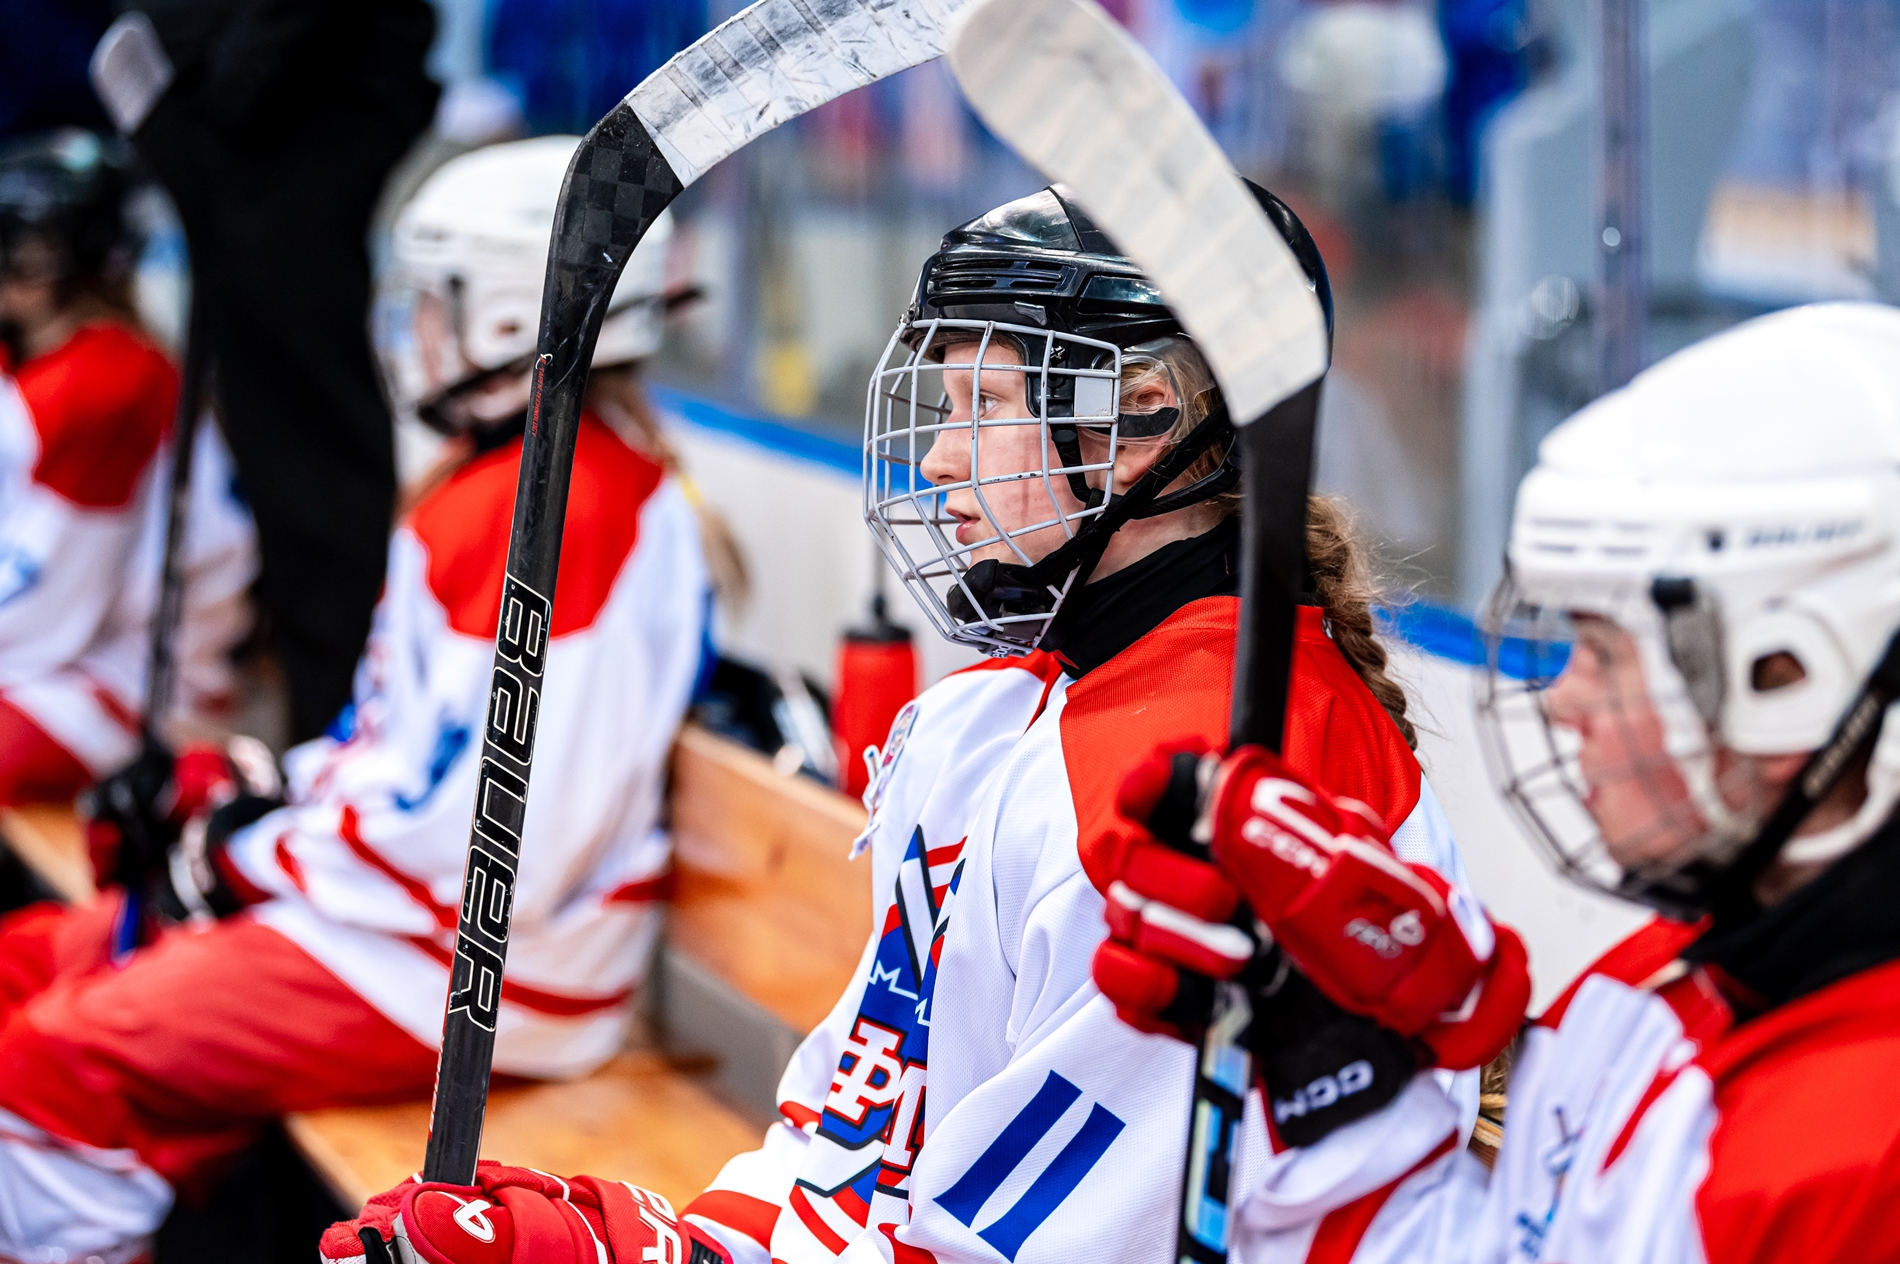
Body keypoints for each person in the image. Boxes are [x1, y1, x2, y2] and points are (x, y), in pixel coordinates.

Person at [328, 185, 1520, 1264]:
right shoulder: (1000, 717)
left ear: (1142, 420)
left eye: (984, 401)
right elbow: (854, 1151)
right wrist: (647, 1241)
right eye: (943, 402)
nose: (941, 456)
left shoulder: (1211, 781)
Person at [0, 136, 715, 1262]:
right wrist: (242, 792)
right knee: (26, 963)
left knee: (42, 1060)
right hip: (396, 930)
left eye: (437, 303)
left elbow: (490, 848)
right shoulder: (514, 486)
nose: (410, 335)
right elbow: (400, 757)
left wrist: (240, 855)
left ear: (504, 319)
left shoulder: (561, 514)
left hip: (472, 979)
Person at [1093, 301, 1900, 1262]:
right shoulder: (1650, 992)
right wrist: (1341, 1070)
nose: (1565, 704)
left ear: (1791, 676)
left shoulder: (1856, 1153)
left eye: (1603, 650)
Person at [120, 0, 440, 742]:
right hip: (233, 115)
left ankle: (335, 721)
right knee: (266, 429)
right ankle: (310, 703)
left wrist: (231, 84)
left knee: (311, 436)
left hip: (300, 110)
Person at [0, 127, 254, 807]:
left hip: (145, 681)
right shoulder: (48, 358)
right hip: (69, 647)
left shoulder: (104, 384)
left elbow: (47, 607)